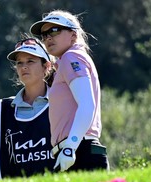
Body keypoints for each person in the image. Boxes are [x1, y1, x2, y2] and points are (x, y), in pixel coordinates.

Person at [29, 10, 109, 172]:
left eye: (55, 30)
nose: (48, 38)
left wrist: (69, 147)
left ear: (73, 35)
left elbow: (87, 105)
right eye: (44, 35)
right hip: (76, 149)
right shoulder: (67, 60)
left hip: (79, 150)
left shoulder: (71, 57)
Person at [0, 35, 55, 179]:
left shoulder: (60, 102)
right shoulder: (5, 107)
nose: (24, 66)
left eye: (30, 61)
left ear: (46, 66)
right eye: (19, 63)